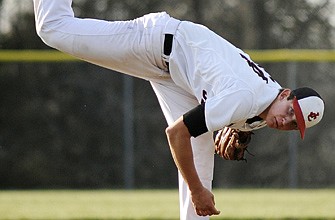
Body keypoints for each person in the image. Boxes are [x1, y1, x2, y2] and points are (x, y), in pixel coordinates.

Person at [33, 0, 325, 219]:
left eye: (293, 125)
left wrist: (236, 128)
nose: (285, 121)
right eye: (291, 112)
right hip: (154, 43)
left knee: (200, 157)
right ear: (286, 93)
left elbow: (241, 103)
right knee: (53, 29)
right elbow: (175, 134)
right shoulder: (247, 97)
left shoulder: (268, 101)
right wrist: (197, 190)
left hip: (176, 75)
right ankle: (198, 197)